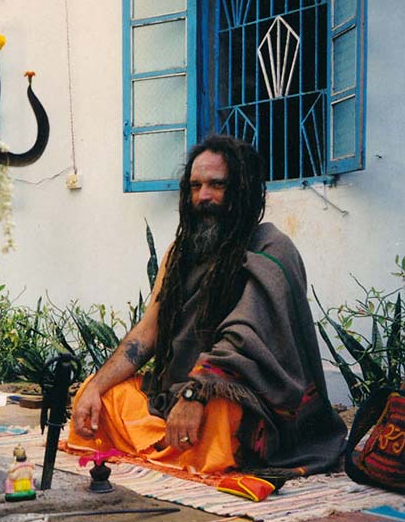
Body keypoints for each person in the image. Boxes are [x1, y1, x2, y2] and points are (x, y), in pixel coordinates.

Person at [69, 135, 346, 477]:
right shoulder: (178, 253)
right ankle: (172, 446)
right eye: (195, 186)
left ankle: (179, 445)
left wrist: (196, 392)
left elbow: (246, 335)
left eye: (217, 185)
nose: (203, 197)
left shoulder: (272, 247)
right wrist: (97, 385)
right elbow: (148, 330)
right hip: (175, 393)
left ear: (243, 189)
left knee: (221, 413)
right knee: (97, 395)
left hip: (243, 398)